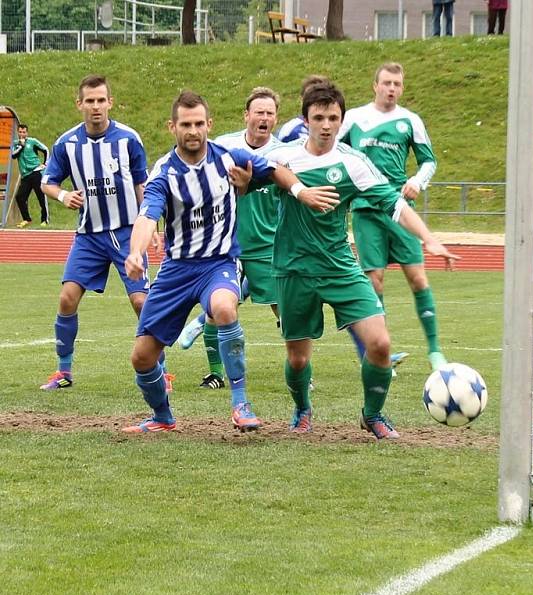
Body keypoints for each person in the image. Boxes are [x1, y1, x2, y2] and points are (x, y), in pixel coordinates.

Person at [121, 90, 338, 434]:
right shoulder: (163, 170)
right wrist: (135, 252)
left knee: (224, 308)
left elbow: (276, 171)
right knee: (142, 357)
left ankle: (240, 403)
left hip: (218, 264)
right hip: (176, 269)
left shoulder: (228, 156)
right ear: (172, 127)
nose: (192, 131)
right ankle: (163, 418)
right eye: (185, 124)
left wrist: (302, 192)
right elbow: (148, 214)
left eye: (198, 124)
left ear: (209, 124)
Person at [268, 81, 459, 439]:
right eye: (319, 117)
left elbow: (396, 204)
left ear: (341, 121)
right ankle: (302, 409)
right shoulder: (283, 155)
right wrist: (297, 190)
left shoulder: (353, 163)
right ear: (306, 119)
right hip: (293, 269)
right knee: (298, 359)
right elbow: (260, 172)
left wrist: (430, 239)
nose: (326, 125)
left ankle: (372, 414)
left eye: (333, 118)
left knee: (380, 343)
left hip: (339, 266)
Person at [39, 75, 151, 391]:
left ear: (110, 103)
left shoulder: (129, 139)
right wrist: (63, 196)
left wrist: (149, 223)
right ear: (80, 105)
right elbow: (48, 182)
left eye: (101, 100)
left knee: (142, 302)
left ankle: (159, 370)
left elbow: (143, 185)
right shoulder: (66, 144)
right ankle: (64, 372)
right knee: (67, 298)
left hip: (127, 233)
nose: (96, 107)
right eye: (90, 101)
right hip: (88, 235)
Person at [339, 62, 447, 371]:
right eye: (386, 82)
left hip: (399, 209)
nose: (391, 89)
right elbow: (335, 149)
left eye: (397, 84)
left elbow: (429, 161)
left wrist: (416, 181)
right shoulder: (354, 118)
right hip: (365, 211)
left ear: (402, 87)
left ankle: (435, 350)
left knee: (418, 278)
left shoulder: (410, 121)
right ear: (375, 85)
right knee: (374, 281)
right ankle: (381, 352)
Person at [177, 86, 286, 389]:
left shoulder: (284, 153)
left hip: (268, 244)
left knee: (286, 310)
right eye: (259, 112)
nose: (264, 117)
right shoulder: (224, 147)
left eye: (270, 113)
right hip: (226, 244)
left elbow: (290, 190)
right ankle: (215, 373)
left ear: (276, 118)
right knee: (217, 309)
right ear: (246, 115)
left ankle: (300, 368)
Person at [11, 123, 49, 227]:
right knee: (20, 197)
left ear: (27, 133)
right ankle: (26, 219)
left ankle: (44, 220)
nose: (22, 134)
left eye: (24, 132)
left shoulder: (32, 142)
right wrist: (21, 146)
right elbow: (14, 156)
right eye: (20, 132)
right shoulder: (16, 144)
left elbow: (45, 149)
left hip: (36, 172)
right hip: (25, 175)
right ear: (18, 132)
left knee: (41, 196)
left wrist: (45, 164)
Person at [276, 74, 329, 143]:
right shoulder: (293, 131)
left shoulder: (337, 126)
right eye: (310, 98)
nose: (315, 102)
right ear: (302, 100)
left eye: (321, 98)